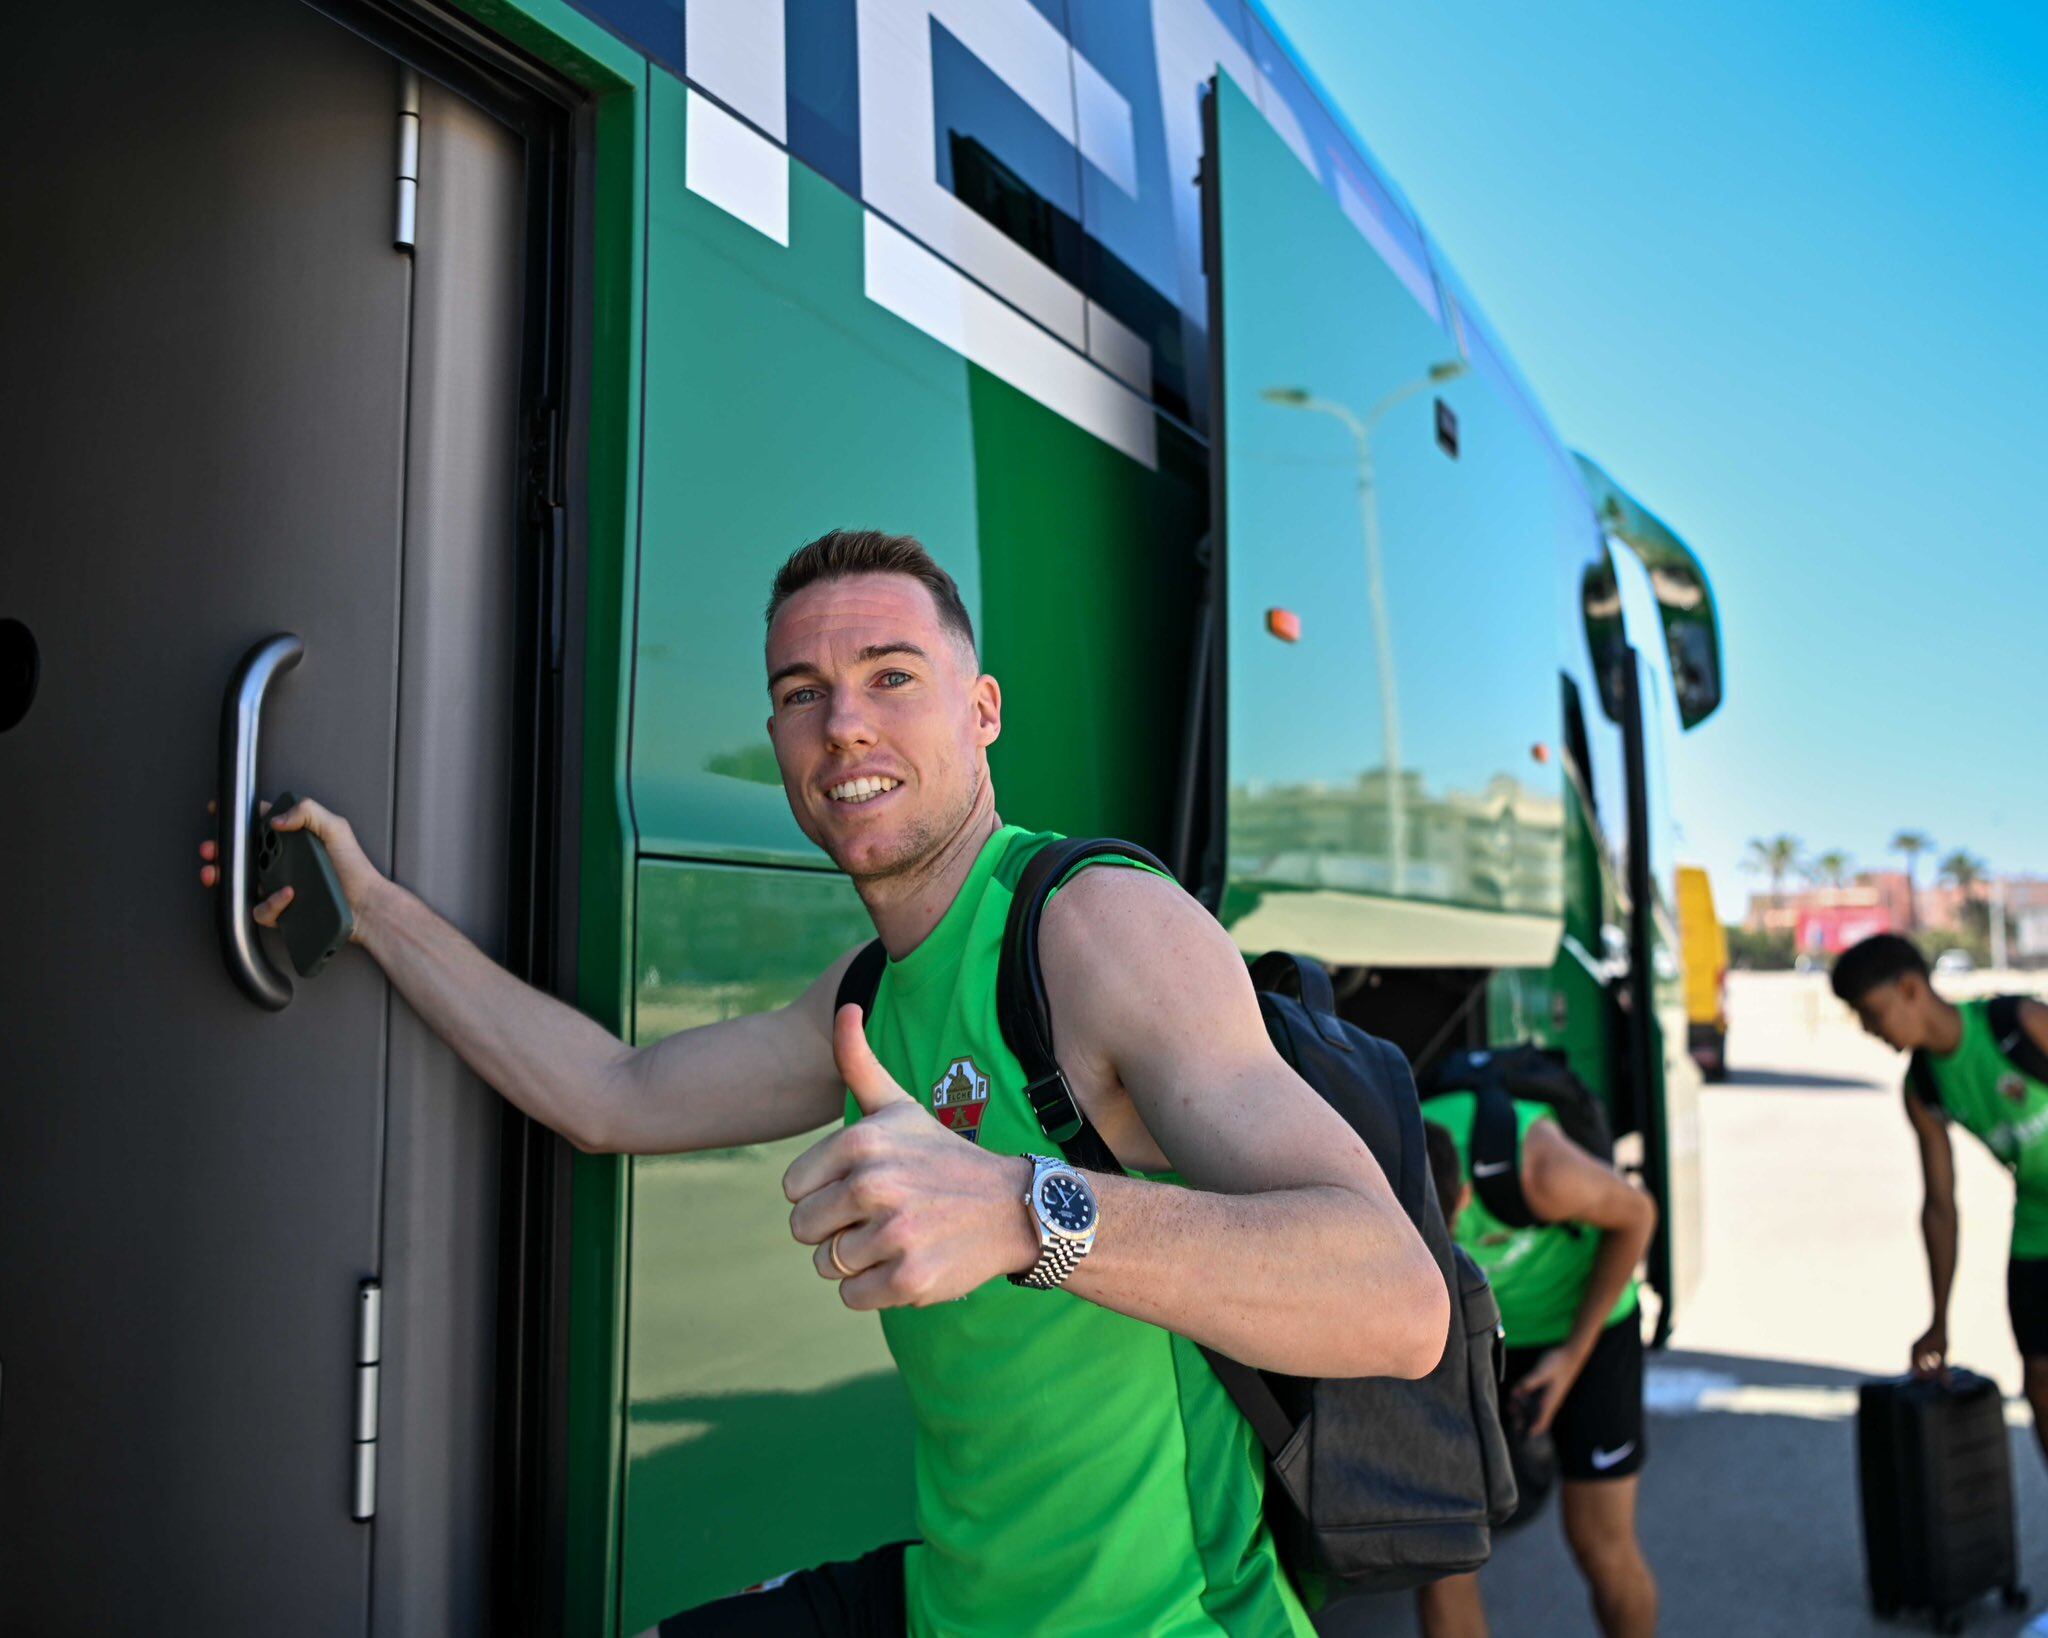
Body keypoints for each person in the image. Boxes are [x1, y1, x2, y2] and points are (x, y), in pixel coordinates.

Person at [198, 528, 1447, 1636]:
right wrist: (372, 911)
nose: (841, 722)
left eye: (891, 677)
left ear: (983, 711)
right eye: (801, 694)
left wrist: (1024, 1211)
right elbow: (611, 1094)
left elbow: (1395, 1304)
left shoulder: (1096, 928)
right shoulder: (868, 988)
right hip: (954, 1604)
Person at [1414, 1101, 1659, 1638]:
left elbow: (1639, 1215)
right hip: (1471, 1333)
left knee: (1601, 1545)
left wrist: (1571, 1358)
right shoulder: (1372, 1166)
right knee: (1439, 1553)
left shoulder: (1541, 1173)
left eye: (1447, 1236)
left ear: (1467, 1200)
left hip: (1582, 1323)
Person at [1833, 933, 2048, 1461]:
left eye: (1871, 1012)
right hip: (2036, 1227)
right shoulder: (1923, 1087)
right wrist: (1939, 1320)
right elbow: (1939, 1208)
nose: (1869, 1029)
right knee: (2040, 1379)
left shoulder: (2016, 1024)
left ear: (1910, 988)